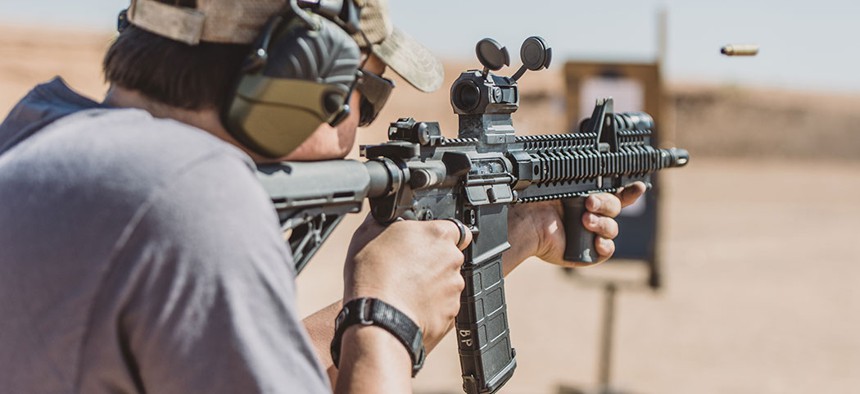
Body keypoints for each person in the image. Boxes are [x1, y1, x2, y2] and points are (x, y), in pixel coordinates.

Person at [0, 1, 644, 393]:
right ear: (302, 80)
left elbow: (257, 366)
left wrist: (513, 236)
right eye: (367, 96)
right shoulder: (189, 197)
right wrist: (384, 327)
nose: (358, 129)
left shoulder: (39, 138)